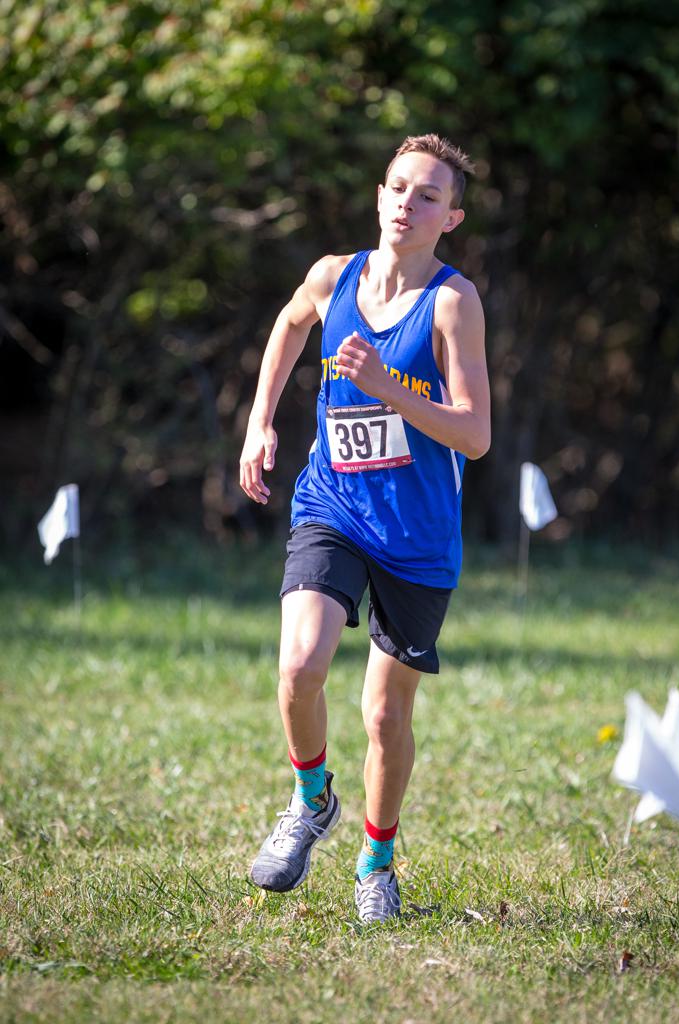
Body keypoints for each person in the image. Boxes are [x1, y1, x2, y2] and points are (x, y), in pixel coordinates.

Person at [239, 133, 490, 923]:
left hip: (417, 533)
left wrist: (386, 386)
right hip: (334, 506)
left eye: (427, 197)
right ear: (379, 195)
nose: (406, 206)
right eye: (397, 188)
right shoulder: (332, 276)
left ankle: (376, 862)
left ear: (451, 217)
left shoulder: (453, 302)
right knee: (300, 666)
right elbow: (287, 327)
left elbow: (475, 433)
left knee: (385, 715)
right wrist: (260, 422)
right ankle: (312, 801)